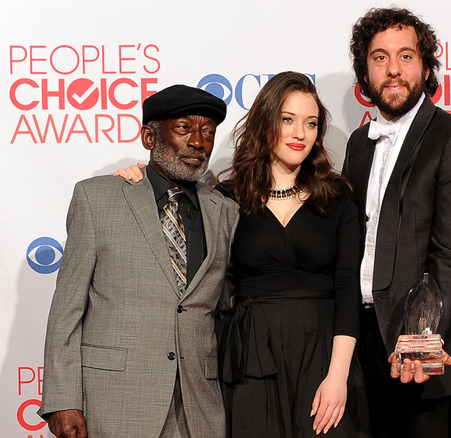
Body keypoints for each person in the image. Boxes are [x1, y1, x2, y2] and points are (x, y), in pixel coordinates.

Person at [38, 85, 239, 437]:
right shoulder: (97, 198)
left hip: (197, 406)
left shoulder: (225, 211)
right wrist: (62, 398)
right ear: (149, 136)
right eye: (183, 128)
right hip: (114, 402)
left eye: (208, 132)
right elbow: (66, 309)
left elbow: (225, 307)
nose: (198, 142)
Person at [342, 7, 451, 438]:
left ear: (425, 65)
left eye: (406, 56)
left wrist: (420, 339)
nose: (394, 69)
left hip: (423, 348)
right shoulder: (358, 144)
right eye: (380, 57)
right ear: (365, 71)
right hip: (363, 343)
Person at [217, 71, 369, 438]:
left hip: (322, 353)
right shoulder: (227, 198)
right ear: (266, 121)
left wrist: (337, 376)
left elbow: (348, 288)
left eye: (311, 123)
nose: (300, 133)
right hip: (252, 359)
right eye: (288, 120)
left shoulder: (336, 197)